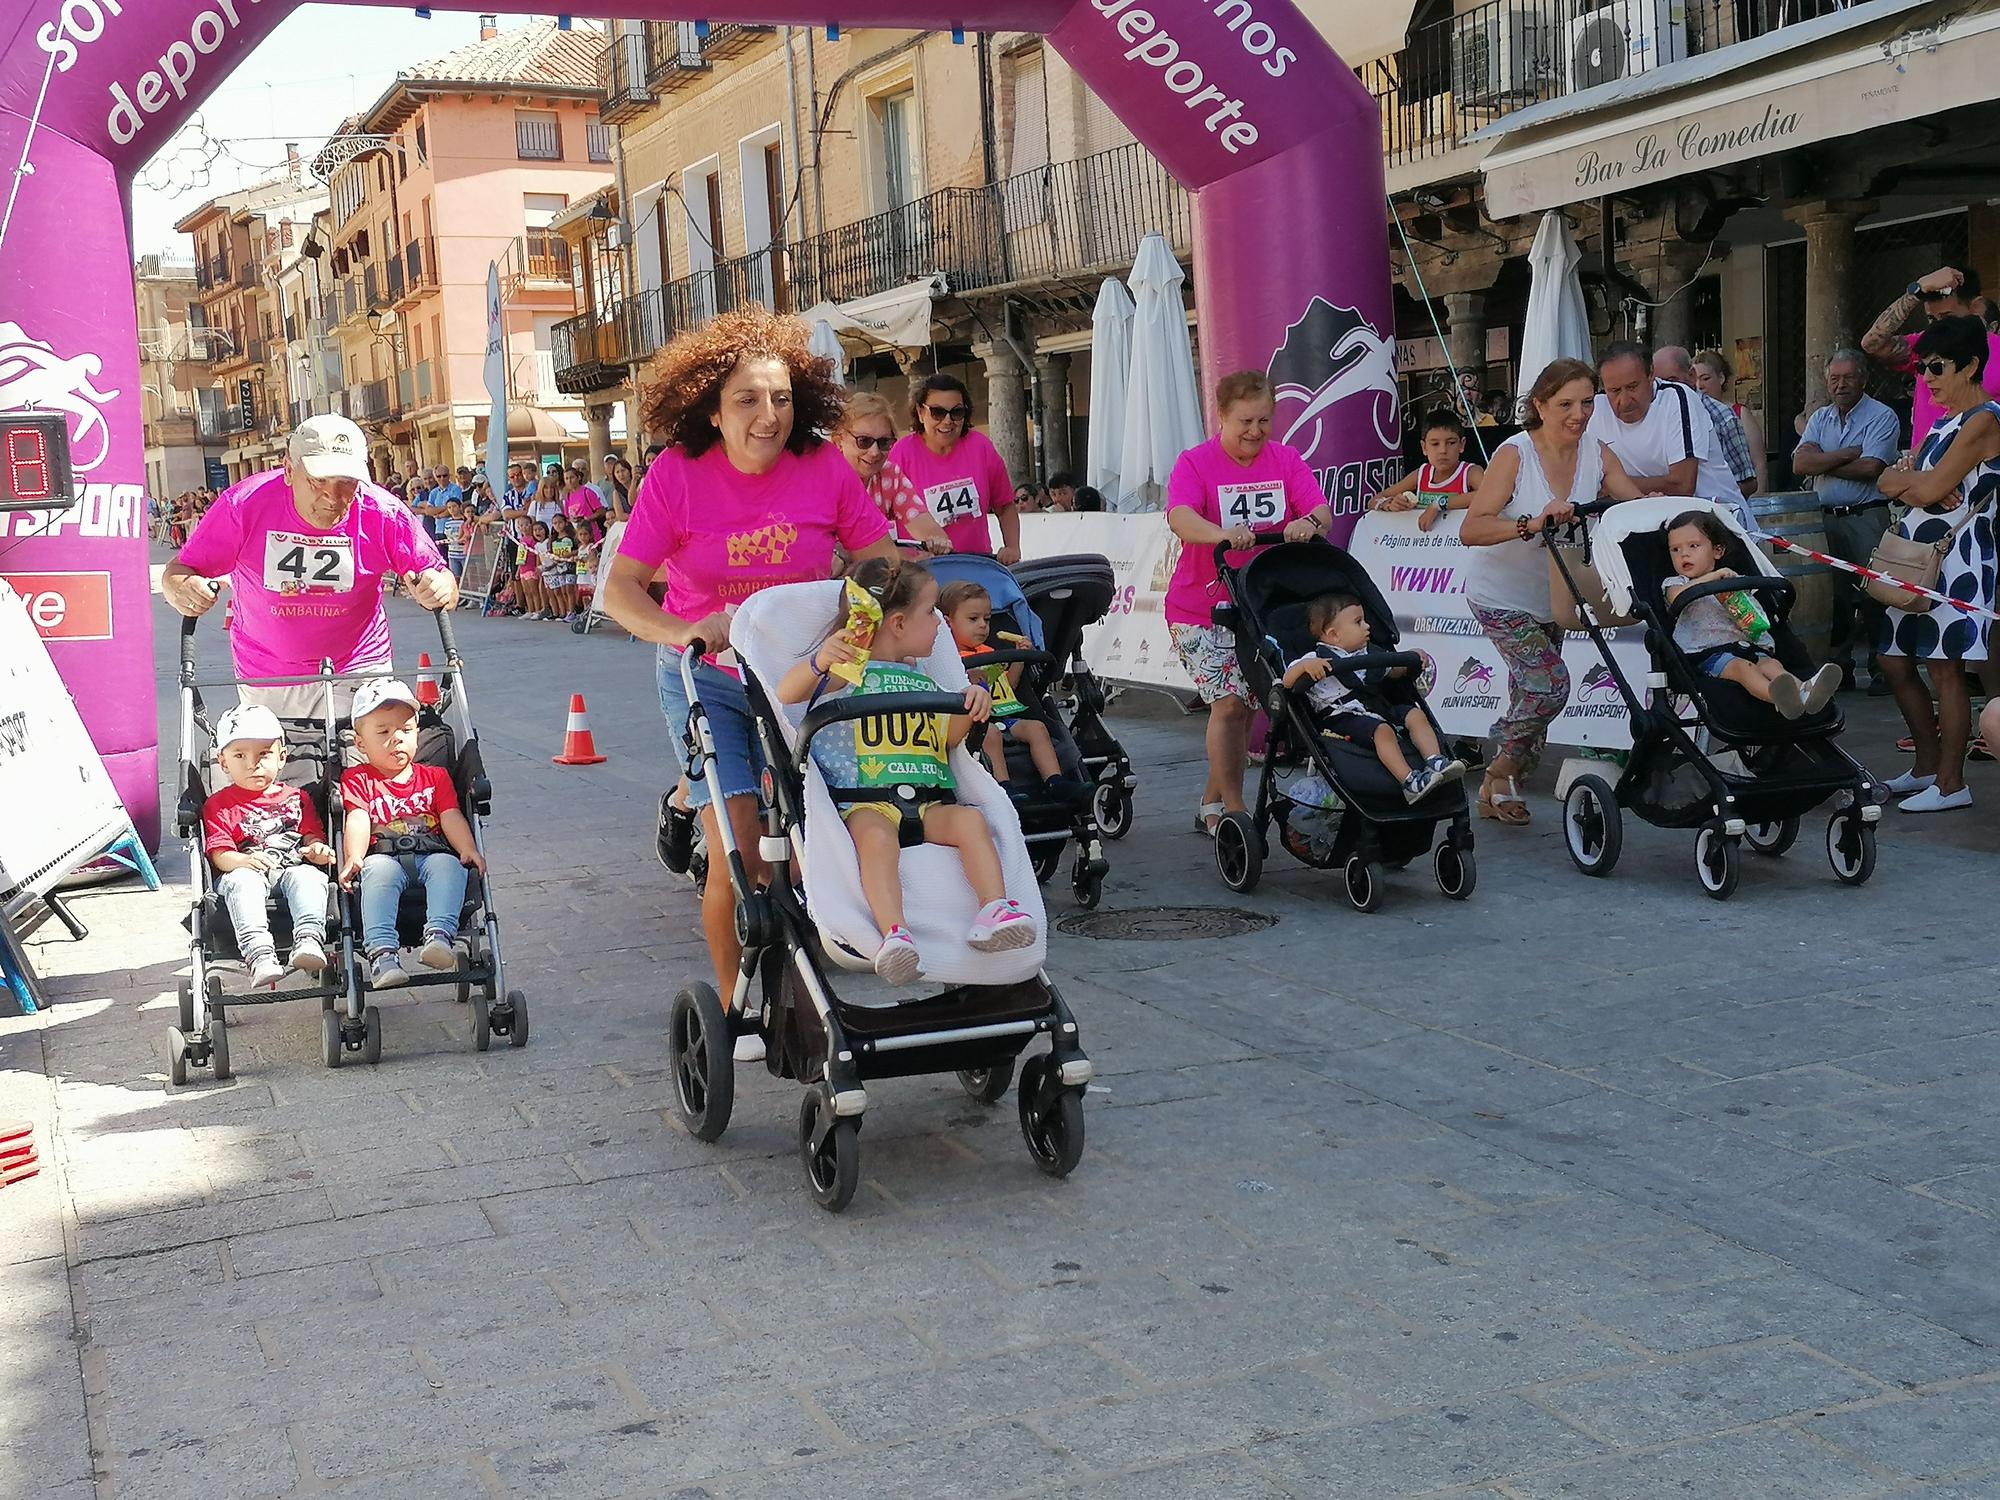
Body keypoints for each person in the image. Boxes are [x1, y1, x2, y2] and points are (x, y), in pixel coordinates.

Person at [601, 305, 898, 1019]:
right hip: (712, 681)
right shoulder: (678, 474)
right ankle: (737, 1006)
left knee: (825, 832)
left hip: (810, 677)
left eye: (783, 398)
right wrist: (685, 629)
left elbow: (881, 561)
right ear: (711, 407)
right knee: (739, 858)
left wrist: (857, 625)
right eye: (748, 399)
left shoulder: (824, 465)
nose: (769, 415)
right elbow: (619, 591)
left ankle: (819, 955)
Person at [777, 557, 1035, 983]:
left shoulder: (923, 679)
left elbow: (949, 739)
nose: (939, 623)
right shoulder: (848, 673)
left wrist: (972, 703)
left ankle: (994, 908)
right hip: (866, 800)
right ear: (898, 624)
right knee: (875, 840)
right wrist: (819, 663)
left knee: (972, 822)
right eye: (932, 612)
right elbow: (785, 695)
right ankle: (895, 933)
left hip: (929, 798)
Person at [160, 414, 455, 721]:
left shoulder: (383, 512)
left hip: (359, 666)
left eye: (346, 481)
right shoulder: (245, 505)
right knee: (280, 768)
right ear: (289, 470)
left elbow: (441, 578)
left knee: (364, 765)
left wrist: (438, 587)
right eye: (318, 479)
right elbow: (180, 570)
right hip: (268, 674)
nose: (332, 495)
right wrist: (180, 588)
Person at [1460, 358, 1644, 825]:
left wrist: (1661, 507)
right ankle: (1500, 768)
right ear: (1539, 405)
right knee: (1549, 686)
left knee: (1533, 705)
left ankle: (1497, 787)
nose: (1578, 414)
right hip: (1499, 595)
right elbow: (1472, 529)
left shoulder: (1597, 454)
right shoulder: (1515, 454)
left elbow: (1631, 498)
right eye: (1565, 404)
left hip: (1555, 597)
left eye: (1586, 402)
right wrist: (1531, 523)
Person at [1163, 369, 1332, 836]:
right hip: (1201, 608)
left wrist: (1310, 523)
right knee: (1231, 704)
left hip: (1260, 605)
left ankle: (1209, 802)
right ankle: (1236, 810)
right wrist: (1222, 535)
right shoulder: (1195, 462)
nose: (1255, 431)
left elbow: (1320, 510)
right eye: (1244, 422)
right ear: (1221, 417)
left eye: (1263, 420)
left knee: (1253, 702)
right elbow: (1180, 516)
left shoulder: (1286, 458)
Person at [1875, 315, 2000, 813]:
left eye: (1937, 367)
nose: (1926, 377)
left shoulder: (1985, 419)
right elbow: (1887, 480)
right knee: (1893, 658)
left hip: (1960, 554)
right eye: (1922, 368)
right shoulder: (1942, 421)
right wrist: (1909, 481)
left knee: (1944, 668)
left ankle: (1950, 783)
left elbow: (1919, 487)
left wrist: (1912, 482)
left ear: (1970, 365)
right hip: (1913, 555)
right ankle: (1926, 766)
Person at [336, 679, 484, 989]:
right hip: (384, 855)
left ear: (417, 733)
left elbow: (451, 816)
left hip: (432, 851)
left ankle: (440, 936)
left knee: (451, 867)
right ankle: (382, 953)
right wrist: (354, 858)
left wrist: (467, 848)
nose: (396, 739)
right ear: (361, 744)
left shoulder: (435, 776)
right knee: (377, 873)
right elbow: (359, 819)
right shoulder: (358, 779)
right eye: (383, 733)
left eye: (405, 730)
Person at [1282, 592, 1464, 803]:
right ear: (1334, 635)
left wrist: (1410, 659)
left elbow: (1394, 671)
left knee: (1415, 715)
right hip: (1342, 717)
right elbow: (1287, 682)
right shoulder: (1315, 659)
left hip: (1378, 707)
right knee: (1382, 730)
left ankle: (1435, 761)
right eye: (1358, 622)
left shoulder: (1369, 654)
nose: (1367, 626)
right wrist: (1304, 668)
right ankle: (1409, 781)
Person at [202, 703, 334, 990]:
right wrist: (243, 861)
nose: (253, 763)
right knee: (244, 882)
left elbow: (312, 836)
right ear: (223, 763)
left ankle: (309, 939)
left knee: (310, 876)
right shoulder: (219, 805)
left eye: (264, 754)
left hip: (290, 867)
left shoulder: (298, 798)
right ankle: (258, 953)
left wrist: (317, 850)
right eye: (240, 756)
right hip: (243, 871)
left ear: (282, 757)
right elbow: (219, 855)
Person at [1793, 349, 1901, 694]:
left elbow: (1872, 469)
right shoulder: (1821, 417)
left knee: (1876, 594)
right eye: (1834, 378)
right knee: (1834, 598)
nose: (1840, 385)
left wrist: (1821, 461)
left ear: (1863, 379)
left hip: (1867, 515)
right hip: (1825, 520)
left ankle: (1883, 668)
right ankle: (1840, 668)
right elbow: (1799, 465)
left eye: (1848, 377)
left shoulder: (1882, 416)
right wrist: (1845, 455)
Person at [1663, 510, 1839, 717]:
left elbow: (1755, 611)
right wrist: (1713, 577)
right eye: (1675, 549)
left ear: (1717, 551)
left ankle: (1806, 693)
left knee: (1773, 666)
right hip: (1708, 653)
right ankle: (1781, 700)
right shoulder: (1676, 583)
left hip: (1746, 645)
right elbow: (1677, 598)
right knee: (1744, 669)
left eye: (1693, 546)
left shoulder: (1735, 578)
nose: (1684, 554)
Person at [940, 579, 1080, 802]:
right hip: (976, 724)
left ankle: (1055, 781)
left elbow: (1008, 688)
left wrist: (1018, 660)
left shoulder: (989, 651)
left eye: (987, 619)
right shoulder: (948, 658)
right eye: (973, 619)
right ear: (948, 624)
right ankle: (1004, 787)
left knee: (1037, 727)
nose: (983, 626)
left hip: (1005, 714)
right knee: (992, 734)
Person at [1590, 344, 1746, 526]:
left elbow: (1683, 486)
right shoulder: (1595, 408)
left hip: (1718, 524)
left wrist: (1611, 484)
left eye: (1632, 387)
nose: (1624, 401)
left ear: (1650, 375)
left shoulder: (1677, 398)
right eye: (1614, 391)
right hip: (1649, 526)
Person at [1862, 266, 2000, 448]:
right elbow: (1871, 344)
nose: (1939, 326)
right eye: (1931, 319)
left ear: (1975, 307)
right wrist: (1916, 291)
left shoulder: (1996, 349)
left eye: (1947, 317)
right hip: (1922, 465)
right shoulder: (1926, 345)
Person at [888, 374, 1021, 561]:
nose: (948, 420)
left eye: (956, 412)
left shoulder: (980, 447)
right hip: (922, 572)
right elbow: (881, 518)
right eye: (938, 412)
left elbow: (1005, 505)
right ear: (920, 413)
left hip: (976, 564)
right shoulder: (901, 454)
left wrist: (1012, 547)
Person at [836, 391, 950, 556]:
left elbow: (925, 526)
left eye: (883, 443)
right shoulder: (826, 479)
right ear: (839, 441)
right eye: (864, 441)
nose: (874, 452)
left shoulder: (889, 473)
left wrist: (937, 542)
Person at [1655, 346, 1759, 498]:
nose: (1666, 389)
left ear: (1691, 376)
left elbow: (1748, 482)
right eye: (1659, 383)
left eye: (1672, 381)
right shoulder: (1654, 415)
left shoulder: (1721, 416)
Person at [1370, 412, 1485, 531]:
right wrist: (1389, 504)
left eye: (1451, 443)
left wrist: (1439, 504)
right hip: (1422, 544)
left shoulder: (1470, 472)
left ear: (1462, 445)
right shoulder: (1421, 474)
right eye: (1435, 444)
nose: (1443, 450)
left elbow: (1491, 495)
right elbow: (1374, 501)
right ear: (1424, 447)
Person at [1691, 349, 1770, 496]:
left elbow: (1759, 463)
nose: (1699, 385)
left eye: (1705, 378)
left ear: (1721, 378)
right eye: (1695, 380)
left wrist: (1757, 500)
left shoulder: (1739, 414)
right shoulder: (1693, 414)